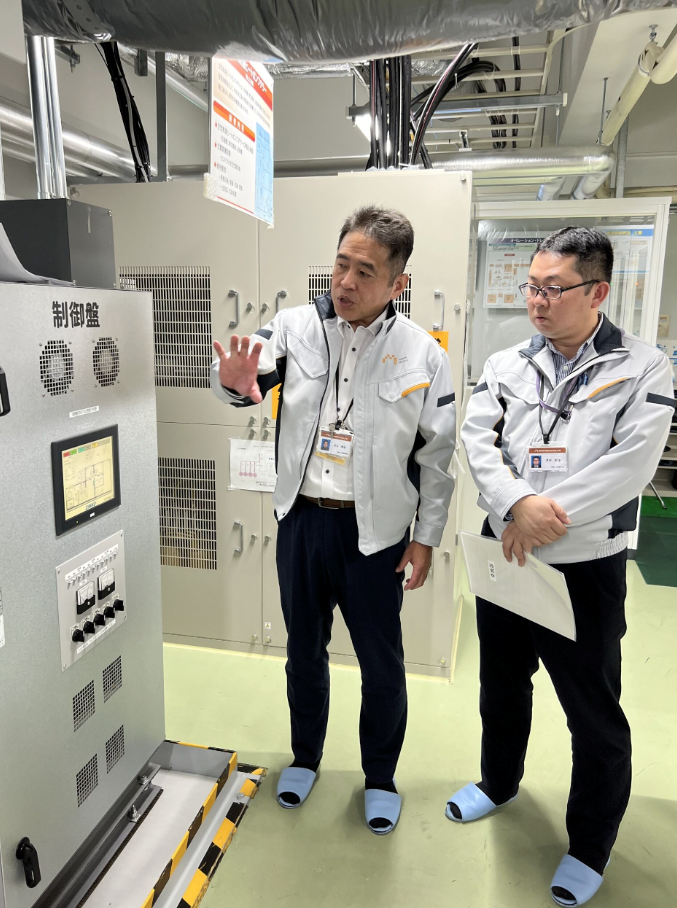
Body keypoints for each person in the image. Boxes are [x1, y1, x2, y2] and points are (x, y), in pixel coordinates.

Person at [449, 227, 675, 906]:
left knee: (592, 711)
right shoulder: (506, 363)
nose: (536, 301)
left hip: (584, 567)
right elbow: (477, 439)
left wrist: (541, 513)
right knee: (500, 684)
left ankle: (589, 845)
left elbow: (630, 463)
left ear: (596, 292)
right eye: (531, 287)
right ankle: (498, 782)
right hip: (507, 555)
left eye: (553, 288)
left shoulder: (642, 366)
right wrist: (515, 504)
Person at [212, 206, 456, 834]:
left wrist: (426, 538)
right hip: (301, 523)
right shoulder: (293, 327)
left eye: (365, 271)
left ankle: (380, 777)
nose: (345, 281)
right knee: (302, 652)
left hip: (376, 537)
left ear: (398, 282)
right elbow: (249, 375)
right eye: (341, 264)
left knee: (382, 664)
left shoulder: (422, 355)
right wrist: (236, 384)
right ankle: (305, 758)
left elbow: (437, 457)